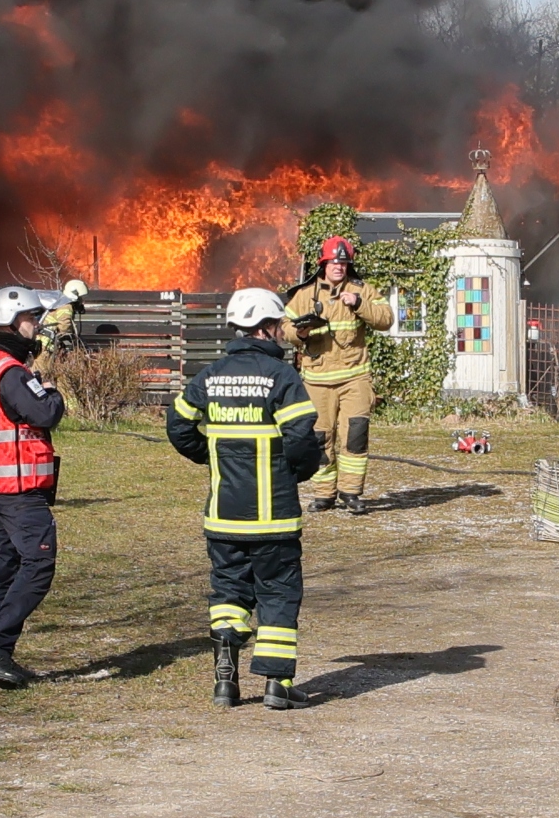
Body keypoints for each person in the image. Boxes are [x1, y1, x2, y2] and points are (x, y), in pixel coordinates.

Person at [166, 287, 325, 710]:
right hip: (273, 517)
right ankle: (277, 684)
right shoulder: (281, 376)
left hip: (224, 516)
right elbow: (301, 440)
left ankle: (225, 680)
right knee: (278, 593)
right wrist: (300, 471)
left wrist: (213, 456)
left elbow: (178, 427)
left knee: (228, 593)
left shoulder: (210, 375)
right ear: (268, 327)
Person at [0, 285, 66, 688]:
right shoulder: (11, 373)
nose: (37, 326)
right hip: (19, 488)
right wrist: (53, 391)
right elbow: (45, 411)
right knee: (38, 565)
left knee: (6, 566)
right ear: (12, 323)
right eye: (31, 319)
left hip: (0, 485)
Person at [284, 234, 393, 514]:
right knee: (320, 439)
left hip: (355, 379)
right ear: (323, 264)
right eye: (334, 262)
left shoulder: (361, 289)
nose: (339, 267)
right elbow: (283, 326)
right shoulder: (305, 294)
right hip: (317, 382)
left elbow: (386, 319)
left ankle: (351, 492)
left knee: (355, 435)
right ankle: (324, 494)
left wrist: (358, 303)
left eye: (344, 263)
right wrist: (299, 332)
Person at [40, 278, 90, 355]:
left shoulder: (61, 302)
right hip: (46, 345)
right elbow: (64, 325)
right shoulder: (66, 306)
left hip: (45, 344)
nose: (82, 301)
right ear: (74, 295)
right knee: (41, 367)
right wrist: (72, 339)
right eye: (80, 298)